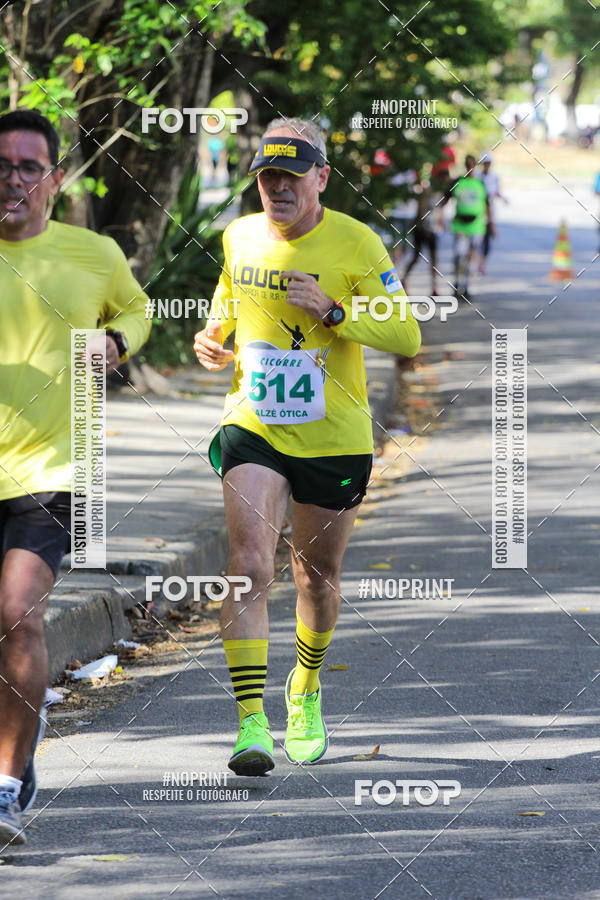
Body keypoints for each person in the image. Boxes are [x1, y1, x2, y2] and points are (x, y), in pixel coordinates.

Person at [193, 117, 421, 776]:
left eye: (292, 175)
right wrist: (212, 341)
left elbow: (406, 337)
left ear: (321, 176)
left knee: (314, 577)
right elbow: (225, 312)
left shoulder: (356, 242)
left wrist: (336, 311)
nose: (277, 187)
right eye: (267, 175)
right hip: (254, 424)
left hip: (334, 435)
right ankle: (250, 724)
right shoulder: (238, 236)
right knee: (249, 566)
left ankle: (306, 688)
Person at [0, 110, 151, 845]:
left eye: (30, 167)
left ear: (56, 180)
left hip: (53, 468)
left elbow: (138, 307)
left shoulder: (92, 254)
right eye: (2, 164)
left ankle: (5, 783)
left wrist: (119, 341)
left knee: (17, 614)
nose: (13, 178)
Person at [441, 153, 494, 302]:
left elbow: (487, 205)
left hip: (476, 226)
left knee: (470, 258)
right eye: (468, 165)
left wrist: (491, 225)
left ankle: (467, 286)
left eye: (472, 164)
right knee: (459, 255)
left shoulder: (480, 183)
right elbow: (445, 199)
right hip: (460, 226)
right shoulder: (458, 182)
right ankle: (457, 284)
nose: (470, 168)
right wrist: (438, 216)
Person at [402, 175, 441, 295]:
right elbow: (420, 214)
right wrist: (425, 228)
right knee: (416, 257)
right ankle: (402, 281)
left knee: (433, 258)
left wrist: (440, 224)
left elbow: (438, 211)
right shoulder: (423, 197)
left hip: (432, 230)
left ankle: (434, 286)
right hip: (421, 230)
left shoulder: (436, 195)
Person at [477, 152, 506, 274]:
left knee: (487, 242)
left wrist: (503, 198)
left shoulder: (494, 177)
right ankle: (476, 263)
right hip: (478, 213)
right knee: (477, 240)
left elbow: (496, 191)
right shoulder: (477, 177)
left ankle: (481, 265)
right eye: (485, 163)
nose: (487, 165)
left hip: (490, 213)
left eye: (489, 163)